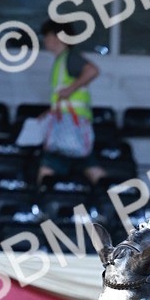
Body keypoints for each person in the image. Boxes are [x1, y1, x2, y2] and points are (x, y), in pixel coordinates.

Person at [36, 19, 106, 187]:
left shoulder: (70, 58)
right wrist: (49, 112)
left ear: (56, 37)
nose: (45, 41)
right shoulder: (62, 61)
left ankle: (42, 204)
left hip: (69, 125)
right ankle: (114, 199)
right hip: (73, 124)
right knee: (90, 167)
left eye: (47, 37)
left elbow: (93, 70)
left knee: (47, 168)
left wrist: (70, 89)